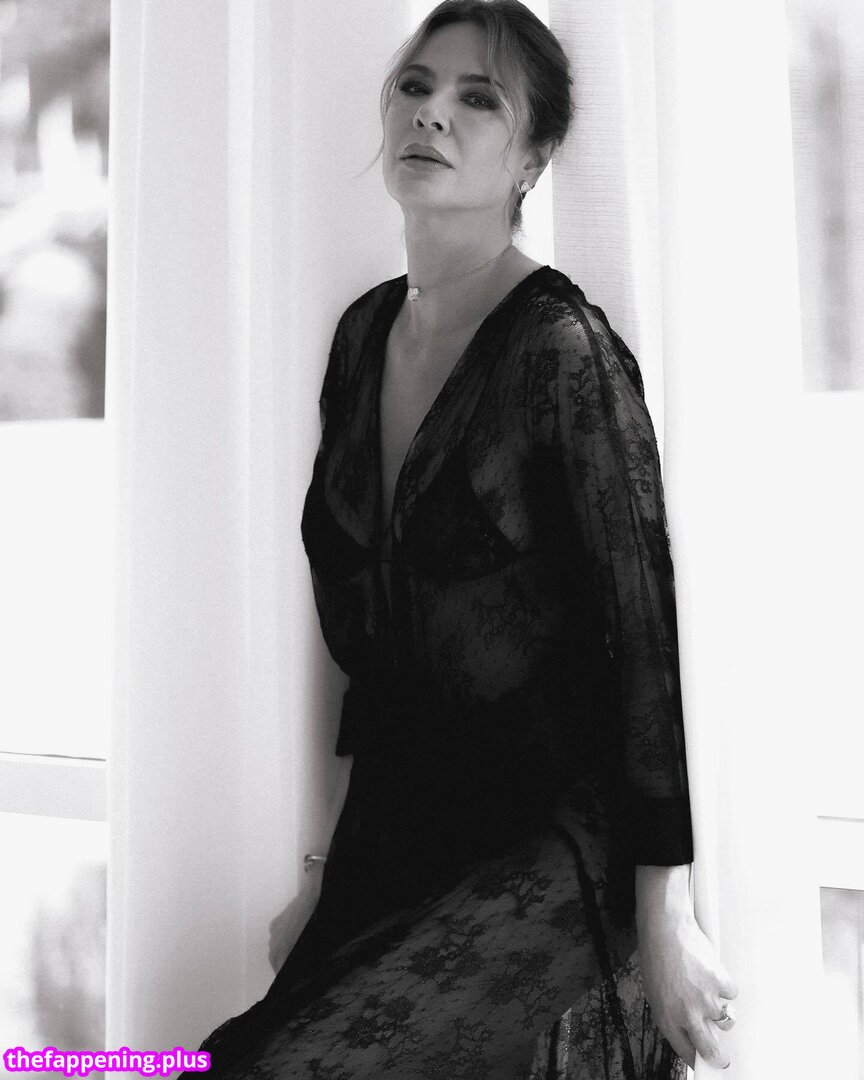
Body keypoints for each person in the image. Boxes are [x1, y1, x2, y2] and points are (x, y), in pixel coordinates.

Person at [183, 2, 738, 1076]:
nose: (432, 113)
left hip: (549, 845)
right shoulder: (361, 339)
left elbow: (644, 640)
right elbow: (378, 663)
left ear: (532, 159)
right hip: (397, 836)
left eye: (478, 99)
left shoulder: (562, 353)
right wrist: (324, 871)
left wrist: (666, 914)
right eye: (416, 85)